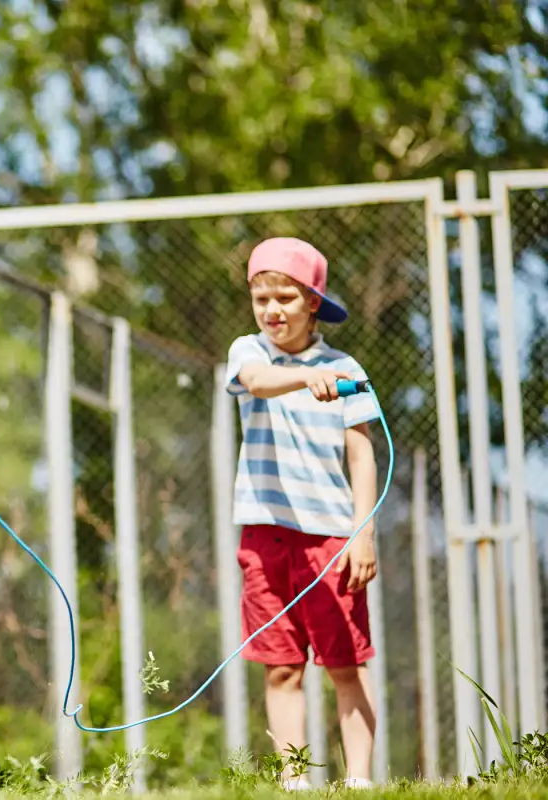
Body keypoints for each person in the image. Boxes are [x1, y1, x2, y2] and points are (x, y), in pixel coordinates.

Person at [224, 237, 380, 790]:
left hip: (331, 538)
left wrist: (362, 533)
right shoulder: (249, 351)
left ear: (313, 301)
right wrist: (303, 379)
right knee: (281, 666)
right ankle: (295, 783)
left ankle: (359, 781)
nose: (272, 311)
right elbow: (257, 384)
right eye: (260, 298)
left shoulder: (345, 368)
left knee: (344, 666)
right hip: (265, 535)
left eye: (285, 298)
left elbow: (361, 454)